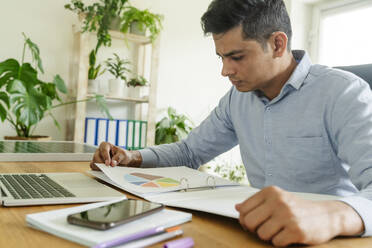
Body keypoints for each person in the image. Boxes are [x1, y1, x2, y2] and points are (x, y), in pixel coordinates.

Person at [90, 0, 372, 246]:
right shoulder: (238, 100)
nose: (225, 70)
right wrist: (133, 157)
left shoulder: (344, 94)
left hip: (328, 241)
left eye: (236, 57)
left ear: (277, 44)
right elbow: (190, 152)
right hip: (260, 233)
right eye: (222, 57)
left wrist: (329, 216)